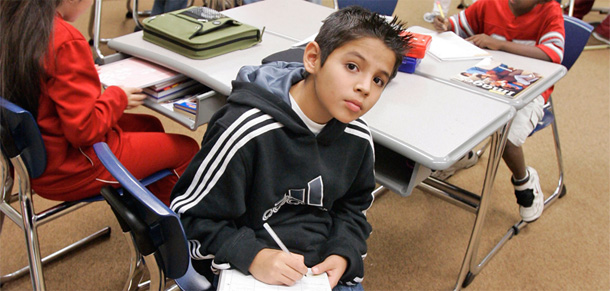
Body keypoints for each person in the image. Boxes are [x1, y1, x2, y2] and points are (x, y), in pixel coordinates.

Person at [170, 6, 411, 290]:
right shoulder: (245, 129)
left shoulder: (358, 136)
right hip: (244, 267)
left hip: (316, 272)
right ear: (312, 58)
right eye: (352, 66)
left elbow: (353, 208)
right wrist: (252, 256)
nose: (364, 87)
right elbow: (190, 217)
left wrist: (343, 251)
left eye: (378, 80)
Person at [0, 0, 199, 206]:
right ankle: (164, 233)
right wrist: (118, 97)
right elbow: (83, 130)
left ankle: (144, 210)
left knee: (151, 126)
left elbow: (41, 79)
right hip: (70, 167)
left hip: (32, 156)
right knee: (187, 150)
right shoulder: (65, 40)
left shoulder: (15, 20)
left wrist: (80, 76)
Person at [433, 0, 565, 222]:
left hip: (529, 88)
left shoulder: (550, 11)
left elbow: (553, 54)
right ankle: (462, 156)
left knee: (508, 137)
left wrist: (499, 44)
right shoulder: (491, 3)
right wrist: (446, 25)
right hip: (483, 78)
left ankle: (523, 180)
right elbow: (458, 25)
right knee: (448, 106)